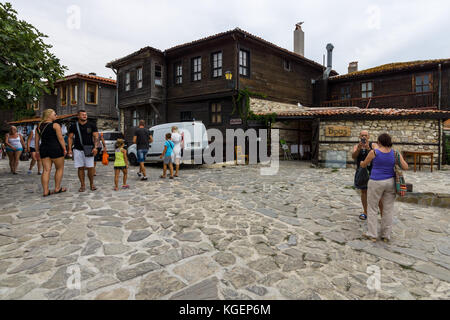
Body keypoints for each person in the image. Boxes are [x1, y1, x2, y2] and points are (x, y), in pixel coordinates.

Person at [360, 133, 408, 242]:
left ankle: (372, 234)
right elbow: (405, 166)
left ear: (379, 142)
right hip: (390, 182)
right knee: (388, 209)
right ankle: (386, 235)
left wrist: (362, 163)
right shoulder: (395, 153)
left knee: (372, 208)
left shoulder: (374, 152)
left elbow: (364, 165)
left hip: (376, 181)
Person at [35, 109, 67, 196]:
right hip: (55, 148)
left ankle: (45, 191)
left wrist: (37, 151)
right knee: (59, 168)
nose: (56, 116)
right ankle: (57, 188)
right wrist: (64, 148)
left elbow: (37, 141)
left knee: (46, 170)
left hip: (44, 149)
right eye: (55, 114)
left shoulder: (38, 127)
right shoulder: (55, 125)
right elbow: (61, 139)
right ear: (49, 115)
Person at [351, 130, 382, 220]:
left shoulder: (374, 145)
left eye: (365, 135)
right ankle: (365, 211)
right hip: (362, 171)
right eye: (362, 135)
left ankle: (380, 212)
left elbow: (378, 155)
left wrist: (369, 149)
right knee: (363, 191)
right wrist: (359, 149)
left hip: (373, 171)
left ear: (368, 136)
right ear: (359, 136)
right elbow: (353, 156)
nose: (364, 137)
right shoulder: (357, 146)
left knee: (376, 192)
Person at [67, 110, 99, 192]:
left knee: (90, 168)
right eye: (82, 115)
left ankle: (92, 184)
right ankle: (82, 185)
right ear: (78, 116)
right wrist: (69, 149)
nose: (85, 116)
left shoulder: (92, 125)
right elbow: (70, 137)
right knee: (80, 168)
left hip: (89, 149)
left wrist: (95, 147)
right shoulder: (73, 126)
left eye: (85, 114)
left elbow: (96, 137)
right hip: (77, 149)